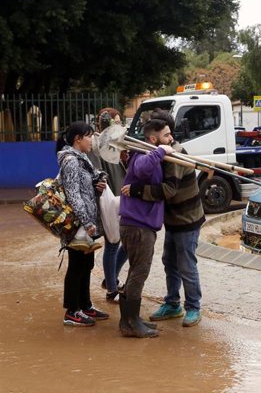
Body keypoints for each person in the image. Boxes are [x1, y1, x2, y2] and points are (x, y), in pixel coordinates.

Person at [122, 109, 205, 328]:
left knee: (186, 264)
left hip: (187, 217)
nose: (171, 138)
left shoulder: (173, 154)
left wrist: (138, 190)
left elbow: (168, 190)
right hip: (172, 218)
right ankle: (172, 303)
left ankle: (193, 307)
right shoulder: (156, 150)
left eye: (170, 134)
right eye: (167, 135)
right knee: (170, 262)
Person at [119, 118, 174, 338]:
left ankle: (130, 319)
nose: (171, 138)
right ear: (153, 139)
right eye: (166, 135)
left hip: (139, 225)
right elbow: (142, 169)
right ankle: (130, 323)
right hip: (138, 226)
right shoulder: (143, 155)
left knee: (135, 272)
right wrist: (160, 152)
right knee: (139, 273)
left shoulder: (145, 154)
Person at [56, 121, 110, 327]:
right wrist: (87, 221)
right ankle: (71, 311)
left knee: (86, 263)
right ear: (78, 140)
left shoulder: (82, 159)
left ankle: (85, 305)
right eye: (89, 136)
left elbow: (85, 188)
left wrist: (97, 185)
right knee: (76, 265)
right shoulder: (70, 161)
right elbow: (73, 194)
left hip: (85, 222)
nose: (92, 140)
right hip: (77, 223)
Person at [88, 108, 127, 302]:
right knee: (113, 243)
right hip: (109, 200)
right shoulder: (97, 144)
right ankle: (111, 288)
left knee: (126, 242)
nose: (119, 125)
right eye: (116, 122)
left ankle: (110, 278)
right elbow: (98, 173)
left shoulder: (118, 142)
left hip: (123, 196)